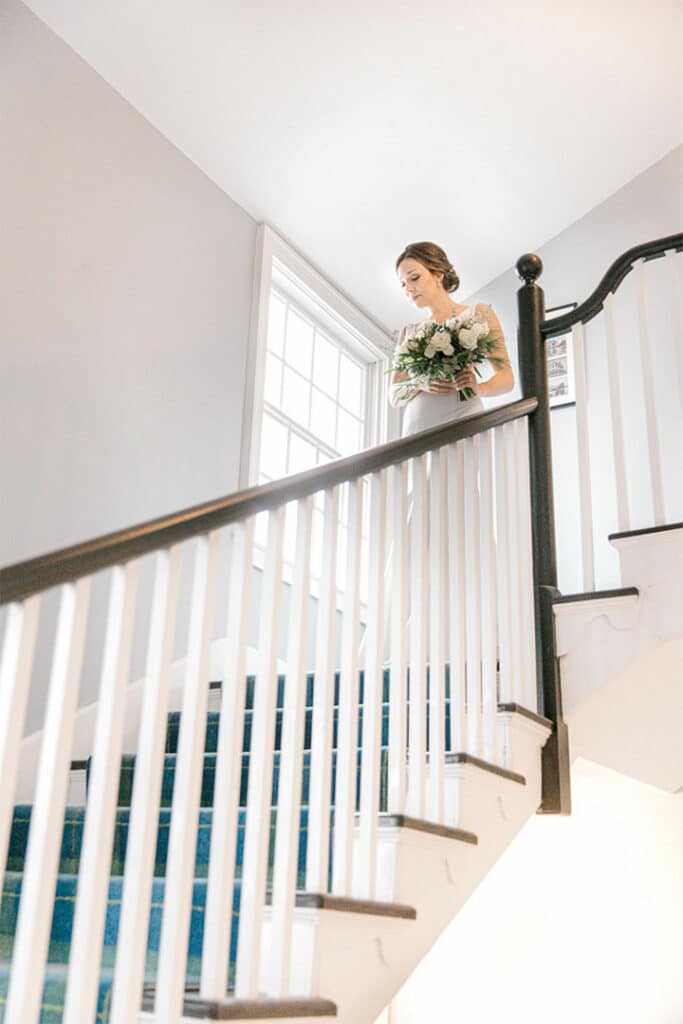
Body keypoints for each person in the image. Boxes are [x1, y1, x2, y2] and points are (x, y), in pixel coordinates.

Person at [390, 242, 514, 436]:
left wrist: (479, 388)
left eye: (414, 278)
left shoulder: (479, 314)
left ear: (438, 274)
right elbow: (394, 396)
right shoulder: (409, 332)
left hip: (464, 416)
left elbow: (507, 379)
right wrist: (419, 383)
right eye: (403, 284)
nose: (409, 289)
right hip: (418, 428)